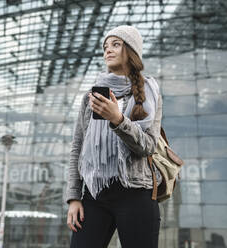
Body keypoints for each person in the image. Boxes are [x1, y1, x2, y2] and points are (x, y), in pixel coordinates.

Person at [65, 25, 163, 248]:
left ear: (131, 51)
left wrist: (118, 120)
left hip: (137, 193)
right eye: (105, 46)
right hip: (95, 194)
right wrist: (74, 197)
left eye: (115, 44)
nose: (107, 50)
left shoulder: (149, 92)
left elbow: (148, 146)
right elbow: (77, 148)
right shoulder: (90, 97)